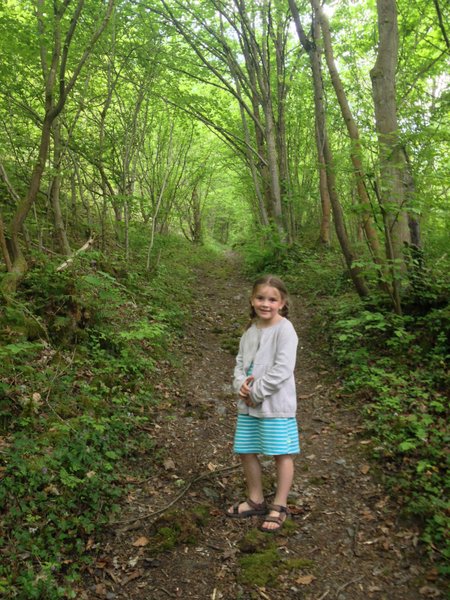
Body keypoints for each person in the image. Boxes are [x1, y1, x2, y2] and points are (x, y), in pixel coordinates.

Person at [226, 274, 300, 532]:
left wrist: (255, 392)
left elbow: (283, 370)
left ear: (282, 302)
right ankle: (256, 499)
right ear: (252, 299)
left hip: (275, 406)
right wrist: (240, 386)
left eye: (272, 299)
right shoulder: (249, 331)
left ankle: (279, 504)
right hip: (248, 406)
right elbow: (239, 363)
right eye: (260, 298)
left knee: (281, 452)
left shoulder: (285, 329)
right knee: (246, 450)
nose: (265, 303)